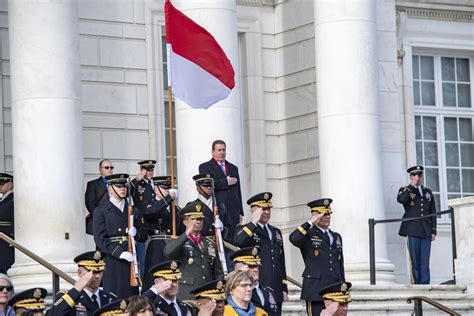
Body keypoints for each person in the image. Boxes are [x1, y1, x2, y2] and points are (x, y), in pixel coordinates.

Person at [93, 174, 146, 299]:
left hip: (131, 257)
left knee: (131, 299)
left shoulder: (132, 210)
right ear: (110, 189)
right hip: (112, 259)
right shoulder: (101, 211)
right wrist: (119, 253)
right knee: (115, 298)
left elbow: (143, 235)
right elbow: (100, 239)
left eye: (124, 186)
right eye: (118, 186)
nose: (123, 189)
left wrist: (136, 233)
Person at [233, 192, 288, 314]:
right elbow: (238, 241)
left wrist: (284, 288)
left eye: (268, 209)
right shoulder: (246, 228)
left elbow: (281, 261)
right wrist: (253, 223)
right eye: (263, 209)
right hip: (257, 285)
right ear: (254, 210)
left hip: (276, 288)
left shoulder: (276, 232)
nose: (267, 212)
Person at [289, 198, 345, 316]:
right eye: (324, 214)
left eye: (329, 213)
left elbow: (340, 264)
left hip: (334, 289)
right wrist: (310, 222)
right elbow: (293, 238)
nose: (328, 216)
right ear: (315, 215)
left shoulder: (336, 236)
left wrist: (342, 286)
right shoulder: (308, 234)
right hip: (315, 289)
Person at [164, 201, 224, 301]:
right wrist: (187, 233)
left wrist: (218, 291)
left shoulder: (210, 243)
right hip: (187, 294)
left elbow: (217, 272)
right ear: (185, 222)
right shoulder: (178, 241)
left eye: (200, 219)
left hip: (206, 295)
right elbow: (168, 253)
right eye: (194, 219)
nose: (198, 221)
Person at [397, 165, 437, 285]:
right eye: (415, 175)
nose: (418, 178)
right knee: (415, 260)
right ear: (410, 177)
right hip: (412, 229)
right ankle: (417, 285)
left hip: (426, 230)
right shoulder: (405, 190)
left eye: (419, 175)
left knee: (425, 260)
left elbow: (432, 211)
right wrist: (411, 186)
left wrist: (434, 230)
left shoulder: (427, 192)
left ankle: (425, 285)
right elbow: (401, 200)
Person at [47, 251, 116, 315]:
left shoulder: (110, 299)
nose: (98, 276)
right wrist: (75, 290)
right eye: (93, 272)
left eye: (100, 272)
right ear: (80, 273)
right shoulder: (69, 297)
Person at [199, 140, 243, 238]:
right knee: (220, 238)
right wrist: (226, 182)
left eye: (223, 150)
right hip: (217, 209)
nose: (222, 152)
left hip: (233, 210)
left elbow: (238, 191)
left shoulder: (233, 168)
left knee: (233, 238)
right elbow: (207, 185)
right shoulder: (205, 167)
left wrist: (241, 212)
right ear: (213, 152)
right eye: (219, 150)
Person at [141, 176, 178, 290]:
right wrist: (168, 199)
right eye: (164, 188)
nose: (167, 190)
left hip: (172, 245)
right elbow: (152, 212)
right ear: (156, 190)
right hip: (157, 246)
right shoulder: (149, 204)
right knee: (155, 276)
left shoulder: (174, 208)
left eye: (168, 187)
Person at [231, 247, 277, 316]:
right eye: (250, 266)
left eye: (256, 266)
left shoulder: (268, 291)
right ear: (238, 269)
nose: (255, 270)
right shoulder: (234, 293)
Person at [178, 173, 227, 239]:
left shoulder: (221, 206)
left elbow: (229, 226)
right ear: (198, 188)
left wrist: (222, 228)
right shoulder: (191, 206)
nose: (209, 188)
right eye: (205, 186)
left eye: (211, 185)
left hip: (218, 244)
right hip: (200, 243)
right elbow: (185, 229)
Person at [84, 160, 114, 235]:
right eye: (106, 167)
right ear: (100, 170)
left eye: (111, 167)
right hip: (100, 221)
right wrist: (99, 218)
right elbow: (90, 203)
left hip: (114, 220)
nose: (109, 169)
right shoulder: (93, 184)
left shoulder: (117, 183)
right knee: (101, 244)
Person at [0, 174, 14, 274]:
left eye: (2, 184)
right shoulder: (3, 200)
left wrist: (11, 239)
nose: (0, 186)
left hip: (6, 243)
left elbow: (14, 223)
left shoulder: (13, 200)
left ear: (10, 184)